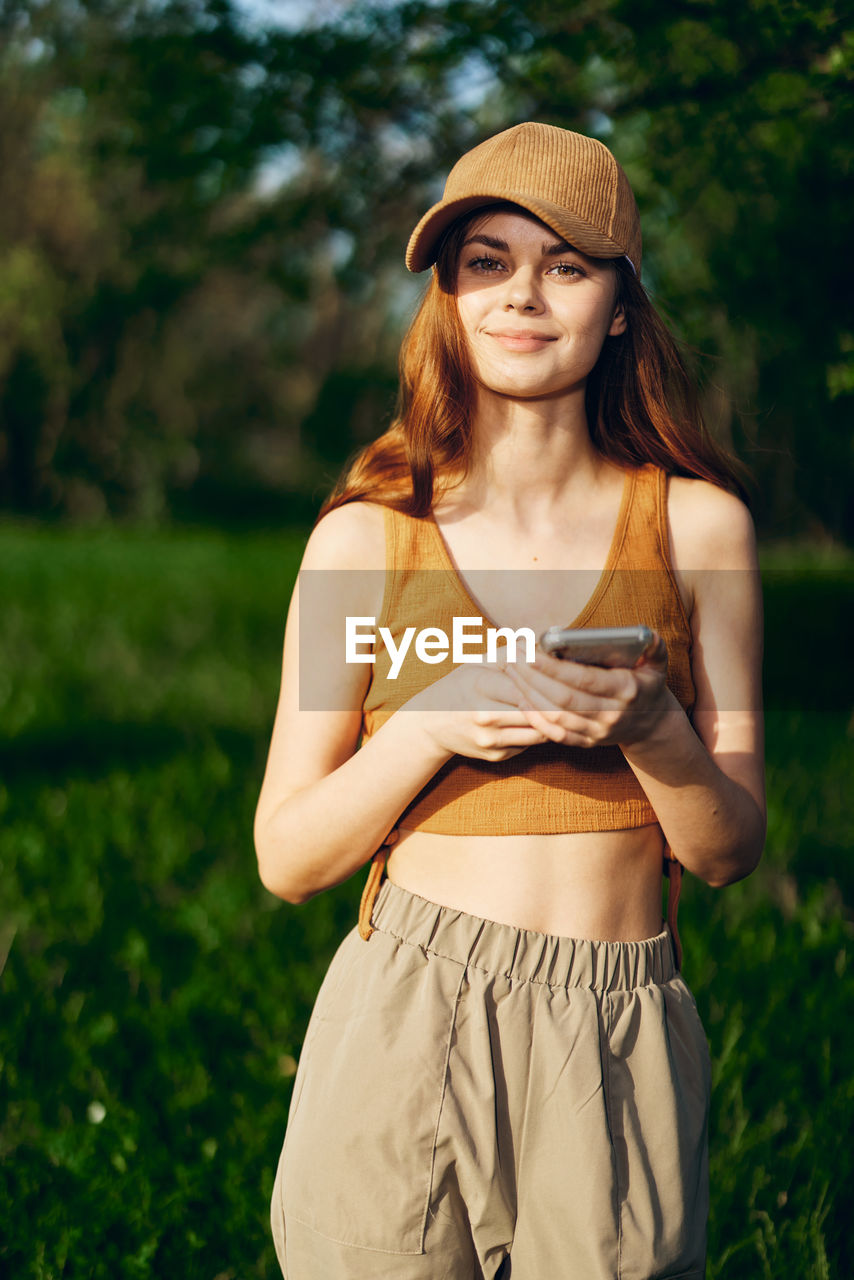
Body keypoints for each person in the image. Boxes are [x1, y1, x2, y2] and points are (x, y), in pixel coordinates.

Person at [255, 121, 765, 1280]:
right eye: (486, 262)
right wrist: (432, 722)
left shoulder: (697, 529)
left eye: (565, 265)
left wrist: (651, 730)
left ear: (620, 304)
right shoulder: (363, 539)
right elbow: (286, 857)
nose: (520, 296)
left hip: (614, 1022)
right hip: (404, 1011)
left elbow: (731, 848)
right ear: (447, 294)